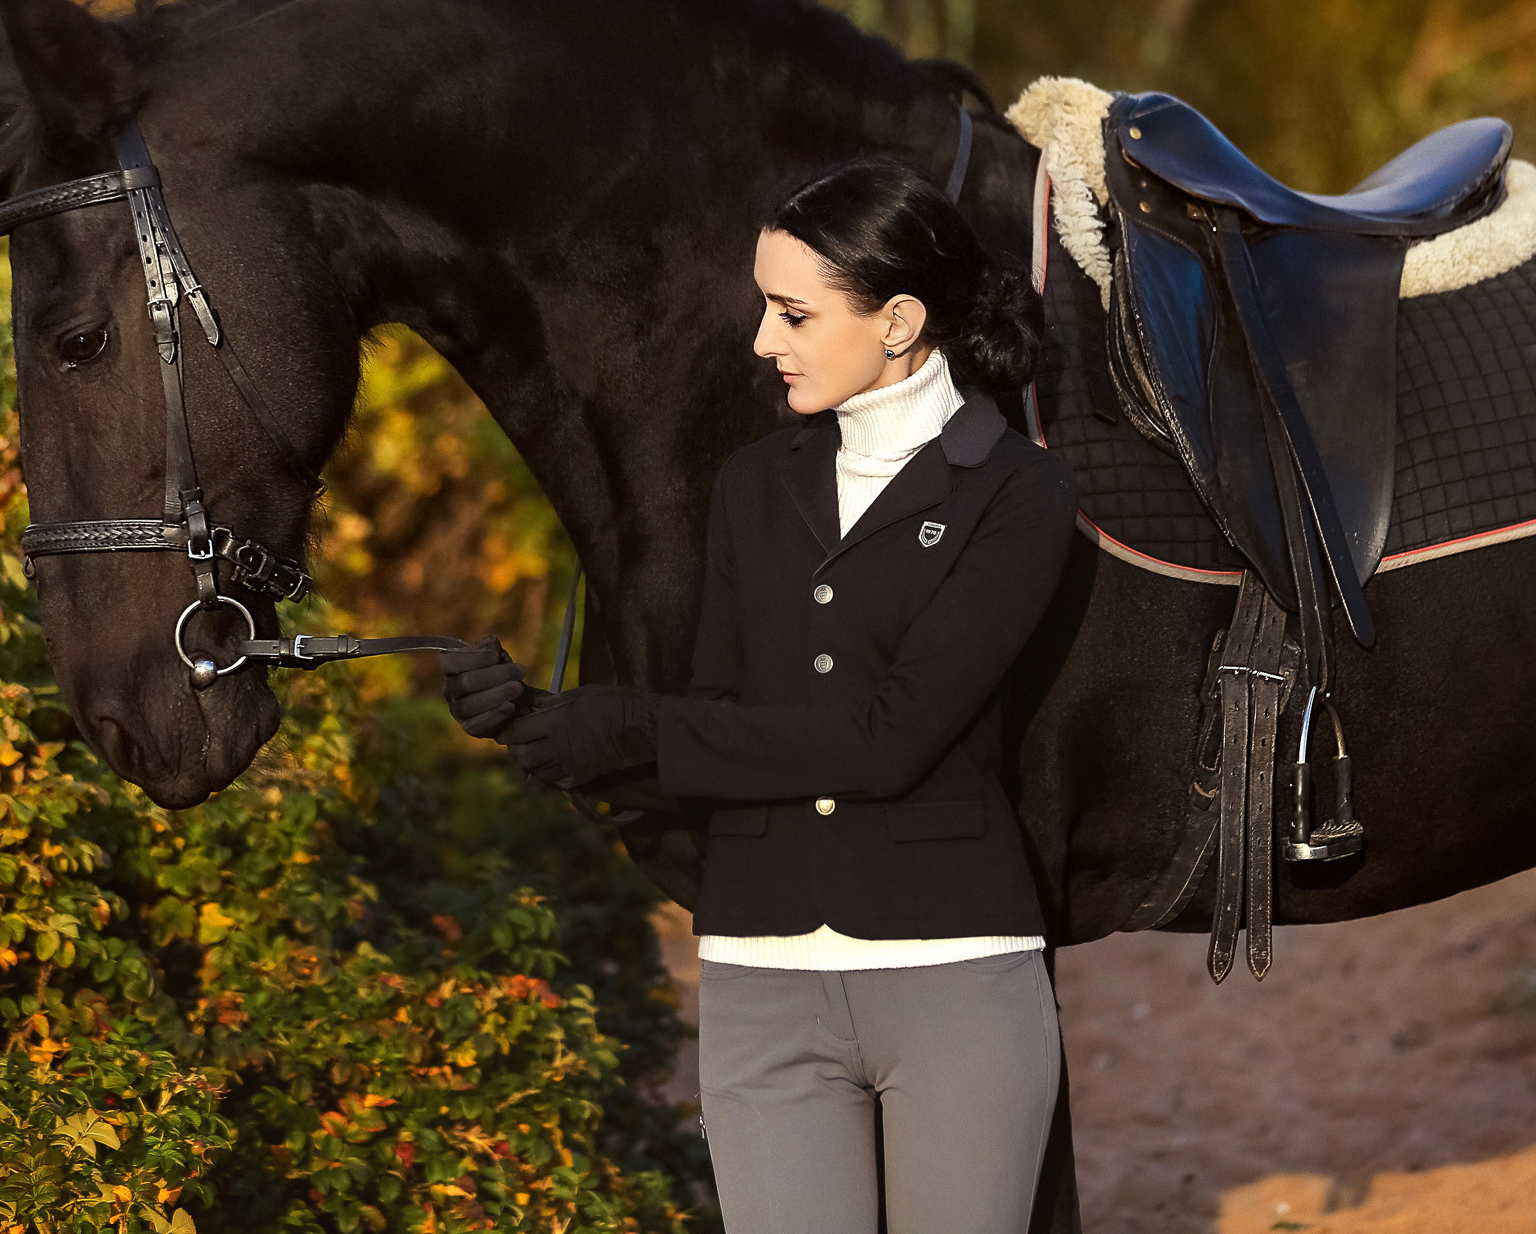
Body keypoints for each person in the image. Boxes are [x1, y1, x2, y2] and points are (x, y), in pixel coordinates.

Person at [435, 153, 1078, 1234]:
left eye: (791, 313)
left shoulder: (1018, 493)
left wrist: (632, 724)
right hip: (757, 980)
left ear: (898, 320)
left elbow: (888, 739)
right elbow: (725, 723)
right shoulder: (754, 483)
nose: (761, 342)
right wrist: (551, 731)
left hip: (953, 978)